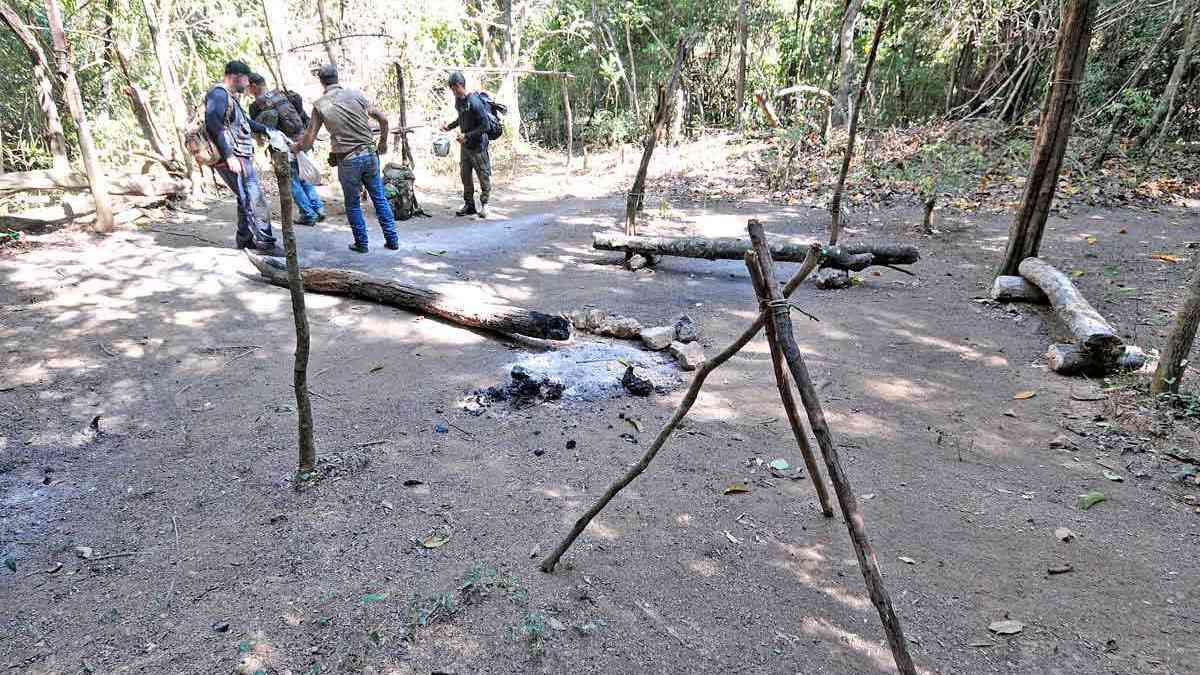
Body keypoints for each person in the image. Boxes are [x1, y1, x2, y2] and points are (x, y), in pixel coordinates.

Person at [292, 64, 397, 254]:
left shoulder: (320, 105)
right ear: (337, 78)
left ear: (322, 82)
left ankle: (362, 243)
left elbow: (308, 140)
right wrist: (383, 142)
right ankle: (392, 240)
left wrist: (296, 147)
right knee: (379, 198)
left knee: (352, 203)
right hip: (370, 154)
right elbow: (384, 119)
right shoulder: (357, 96)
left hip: (348, 161)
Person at [205, 60, 277, 252]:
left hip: (240, 156)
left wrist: (268, 131)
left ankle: (244, 239)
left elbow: (245, 123)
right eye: (246, 80)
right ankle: (265, 243)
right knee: (254, 199)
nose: (247, 85)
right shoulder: (218, 94)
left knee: (244, 197)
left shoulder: (229, 97)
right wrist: (229, 156)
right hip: (234, 157)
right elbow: (213, 124)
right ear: (236, 76)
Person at [246, 73, 325, 227]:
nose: (247, 90)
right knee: (303, 175)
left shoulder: (256, 106)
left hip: (282, 147)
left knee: (291, 181)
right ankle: (318, 208)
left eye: (248, 87)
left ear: (254, 86)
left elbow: (261, 132)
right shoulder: (282, 94)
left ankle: (308, 214)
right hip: (301, 140)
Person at [441, 71, 491, 219]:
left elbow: (485, 126)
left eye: (454, 89)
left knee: (483, 175)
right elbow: (461, 117)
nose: (453, 92)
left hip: (478, 146)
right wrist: (449, 127)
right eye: (451, 89)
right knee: (465, 176)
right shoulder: (459, 101)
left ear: (460, 85)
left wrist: (467, 136)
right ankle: (469, 205)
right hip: (465, 146)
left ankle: (485, 205)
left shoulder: (475, 102)